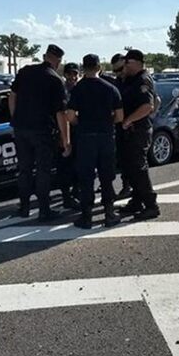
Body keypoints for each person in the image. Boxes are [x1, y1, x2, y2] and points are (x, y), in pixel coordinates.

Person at [8, 44, 69, 221]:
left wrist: (15, 118)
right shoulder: (54, 79)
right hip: (42, 131)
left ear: (44, 56)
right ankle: (44, 210)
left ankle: (24, 208)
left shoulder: (25, 71)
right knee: (43, 171)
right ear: (57, 60)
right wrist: (66, 140)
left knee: (24, 169)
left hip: (21, 129)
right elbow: (60, 113)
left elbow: (12, 95)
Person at [66, 54, 123, 229]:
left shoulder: (77, 89)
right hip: (105, 137)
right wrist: (107, 123)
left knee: (86, 178)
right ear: (99, 68)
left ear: (83, 68)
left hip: (85, 138)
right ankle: (109, 214)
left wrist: (80, 124)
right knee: (107, 177)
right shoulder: (110, 88)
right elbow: (120, 116)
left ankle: (86, 217)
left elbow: (70, 116)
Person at [118, 49, 160, 220]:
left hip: (138, 130)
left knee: (138, 168)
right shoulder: (130, 79)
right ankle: (136, 201)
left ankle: (151, 205)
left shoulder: (142, 79)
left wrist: (128, 120)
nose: (124, 66)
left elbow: (147, 106)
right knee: (130, 168)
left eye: (127, 62)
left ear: (136, 63)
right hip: (129, 132)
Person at [104, 53, 132, 200]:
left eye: (120, 69)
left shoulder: (136, 80)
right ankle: (125, 186)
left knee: (132, 160)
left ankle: (131, 187)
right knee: (120, 158)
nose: (119, 73)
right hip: (120, 126)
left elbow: (154, 102)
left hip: (133, 126)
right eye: (115, 71)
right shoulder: (117, 83)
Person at [58, 62, 81, 209]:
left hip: (78, 131)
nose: (72, 77)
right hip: (64, 132)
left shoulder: (81, 89)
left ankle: (77, 191)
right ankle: (66, 196)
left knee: (78, 164)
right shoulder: (60, 90)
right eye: (69, 74)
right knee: (64, 166)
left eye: (75, 74)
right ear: (65, 75)